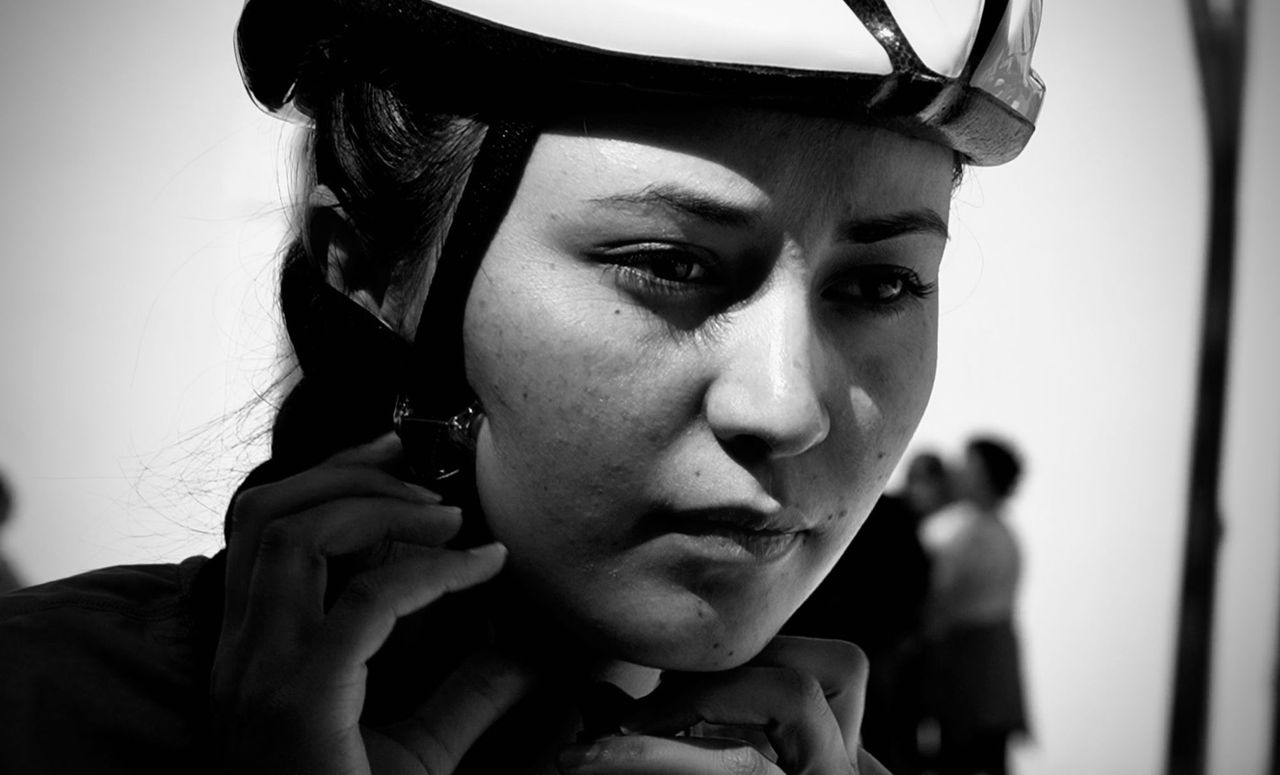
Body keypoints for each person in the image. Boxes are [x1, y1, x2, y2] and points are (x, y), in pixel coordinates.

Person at [0, 2, 1045, 772]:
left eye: (881, 283)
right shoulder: (40, 707)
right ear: (363, 264)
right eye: (667, 263)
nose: (784, 405)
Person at [783, 449, 952, 774]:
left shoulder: (869, 511)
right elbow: (916, 583)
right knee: (884, 734)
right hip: (874, 641)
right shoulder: (897, 516)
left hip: (839, 637)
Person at [918, 436, 1030, 775]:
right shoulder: (988, 532)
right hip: (979, 665)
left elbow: (941, 602)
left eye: (968, 466)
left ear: (984, 477)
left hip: (975, 668)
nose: (958, 472)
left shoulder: (981, 536)